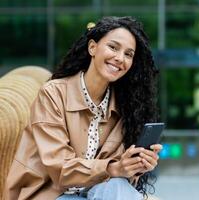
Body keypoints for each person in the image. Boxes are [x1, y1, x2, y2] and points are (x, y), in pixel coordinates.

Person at [4, 16, 162, 200]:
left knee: (118, 186)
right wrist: (112, 168)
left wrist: (136, 167)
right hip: (49, 194)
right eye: (113, 47)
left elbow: (115, 176)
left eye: (128, 54)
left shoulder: (125, 106)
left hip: (94, 193)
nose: (120, 58)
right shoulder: (54, 93)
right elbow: (60, 168)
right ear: (92, 47)